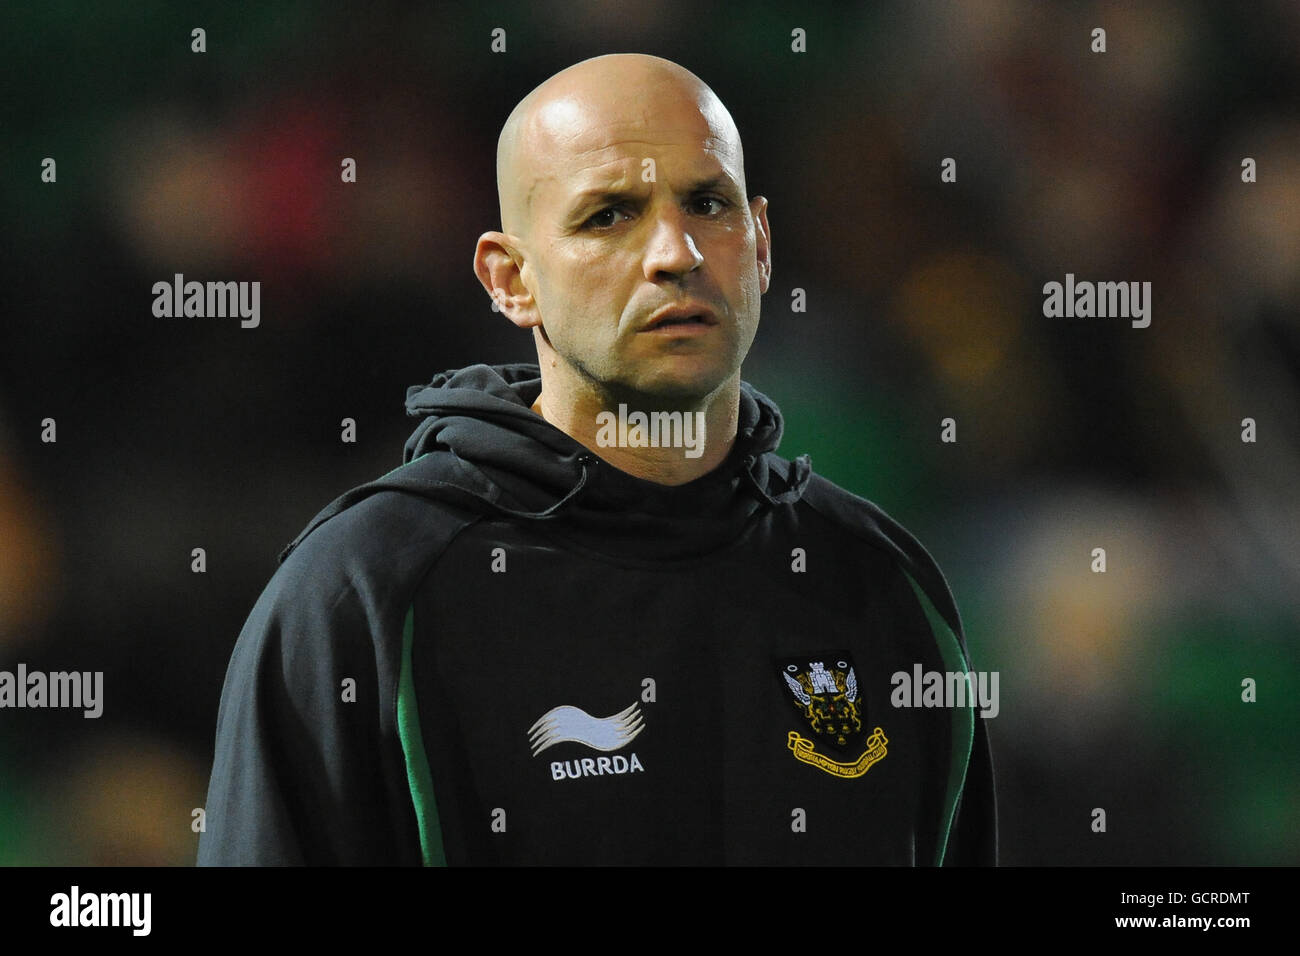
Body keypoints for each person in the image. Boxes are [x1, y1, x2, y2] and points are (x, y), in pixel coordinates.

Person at [197, 53, 996, 866]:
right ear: (511, 280)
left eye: (708, 203)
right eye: (610, 215)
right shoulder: (360, 598)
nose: (675, 253)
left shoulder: (882, 588)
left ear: (759, 245)